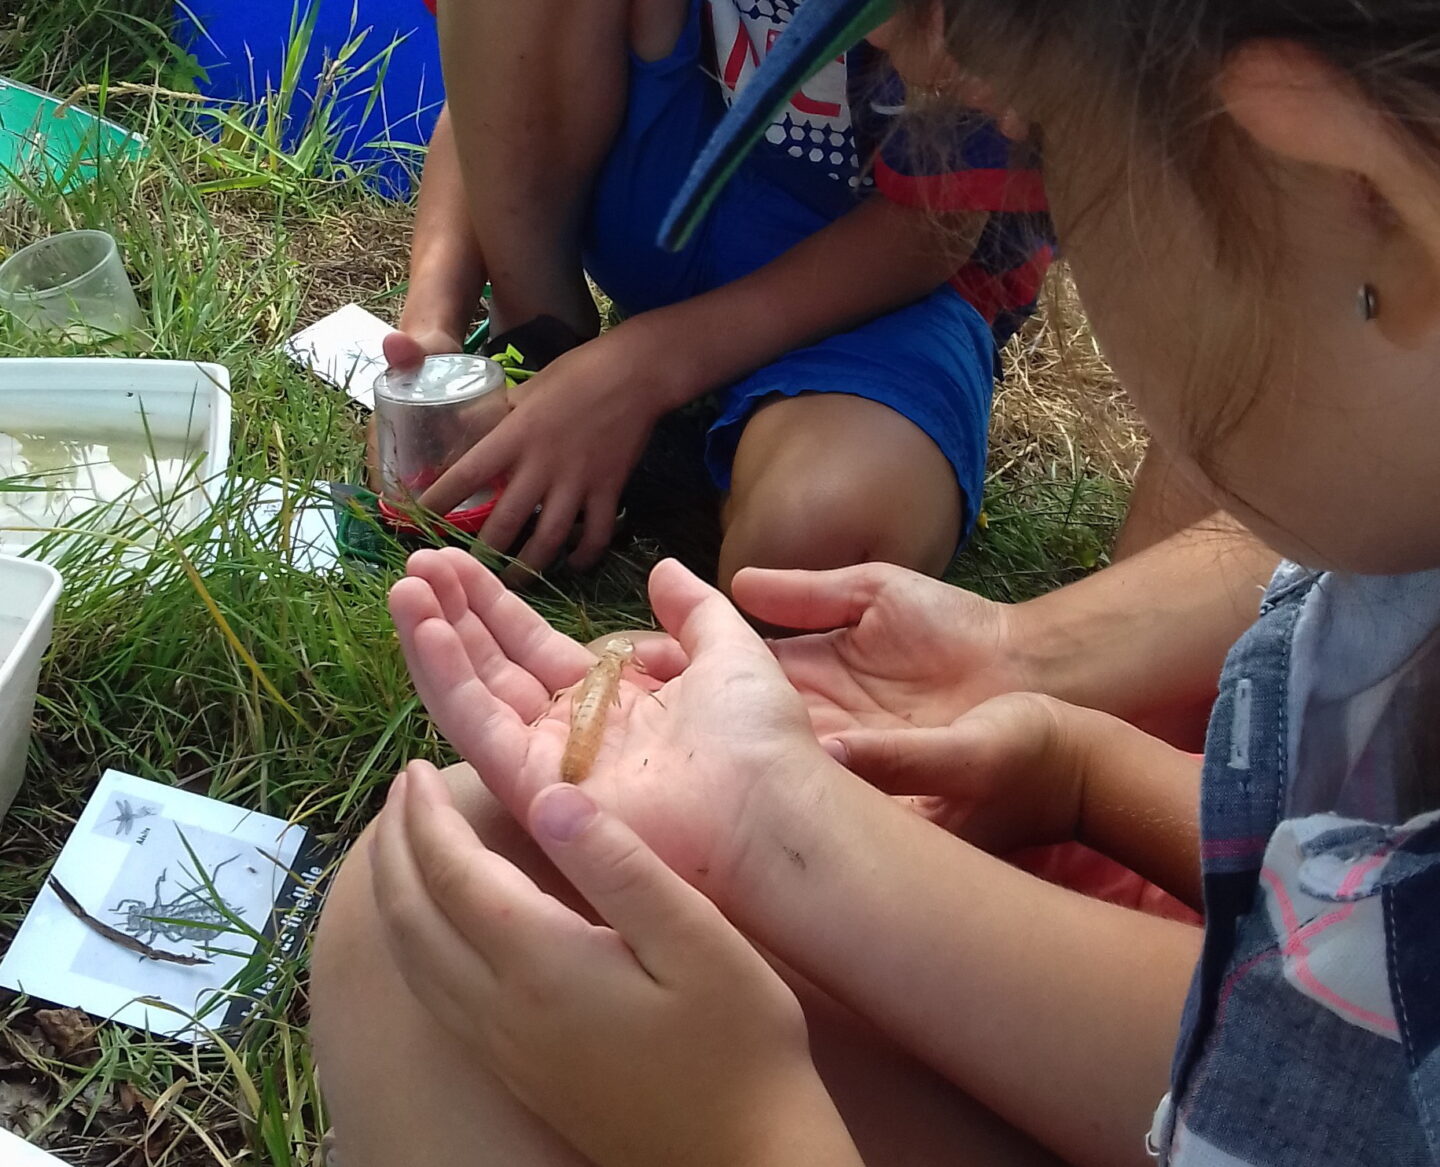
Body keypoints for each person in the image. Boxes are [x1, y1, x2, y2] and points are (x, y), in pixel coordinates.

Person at [312, 0, 1440, 1163]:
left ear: (1365, 199)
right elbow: (1313, 1013)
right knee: (466, 879)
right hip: (1203, 998)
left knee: (438, 933)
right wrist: (1076, 767)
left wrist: (748, 1128)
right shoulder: (1385, 583)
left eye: (1047, 149)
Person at [382, 0, 1054, 588]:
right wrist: (432, 326)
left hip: (881, 301)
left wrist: (642, 368)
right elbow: (490, 97)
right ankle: (539, 349)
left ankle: (671, 446)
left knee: (816, 548)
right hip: (672, 203)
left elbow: (928, 236)